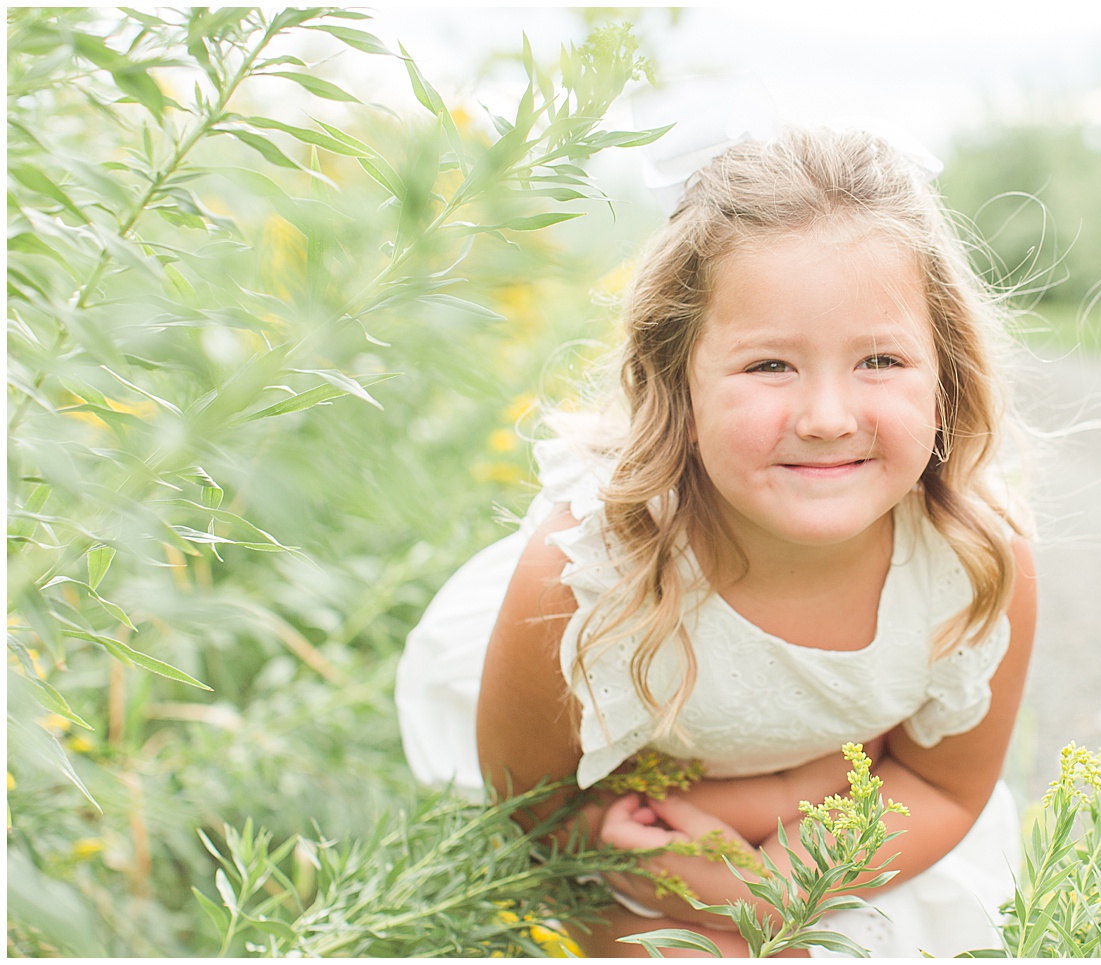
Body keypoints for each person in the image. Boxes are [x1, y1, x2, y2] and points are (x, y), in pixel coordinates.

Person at [395, 127, 1038, 958]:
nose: (827, 417)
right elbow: (535, 810)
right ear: (677, 381)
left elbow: (942, 783)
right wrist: (691, 873)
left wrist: (772, 895)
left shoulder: (977, 560)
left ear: (946, 376)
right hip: (606, 846)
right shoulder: (582, 578)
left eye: (881, 359)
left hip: (850, 845)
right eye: (770, 365)